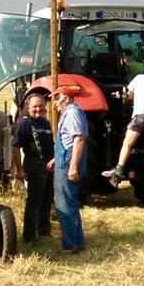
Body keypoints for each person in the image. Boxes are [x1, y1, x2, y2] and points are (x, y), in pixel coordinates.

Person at [107, 60, 144, 184]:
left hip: (141, 115)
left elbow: (129, 95)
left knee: (128, 143)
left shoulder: (139, 78)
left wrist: (127, 98)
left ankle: (119, 170)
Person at [11, 87, 55, 244]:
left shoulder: (46, 123)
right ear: (28, 108)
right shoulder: (25, 124)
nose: (38, 109)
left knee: (47, 200)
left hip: (49, 166)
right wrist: (19, 170)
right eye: (35, 107)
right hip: (34, 165)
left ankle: (43, 232)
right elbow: (15, 147)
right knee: (34, 202)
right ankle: (29, 236)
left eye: (41, 106)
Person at [52, 86, 89, 253]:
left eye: (57, 98)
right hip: (65, 159)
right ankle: (78, 241)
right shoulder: (69, 113)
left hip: (68, 163)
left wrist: (72, 167)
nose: (54, 103)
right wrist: (56, 158)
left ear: (65, 98)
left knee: (64, 204)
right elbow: (68, 140)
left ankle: (70, 244)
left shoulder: (72, 113)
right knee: (70, 202)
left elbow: (79, 139)